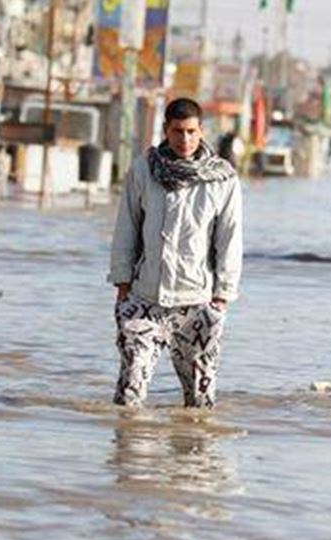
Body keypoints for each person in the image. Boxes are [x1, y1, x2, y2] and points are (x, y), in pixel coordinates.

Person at [108, 98, 243, 409]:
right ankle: (128, 455)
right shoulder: (144, 170)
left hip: (197, 303)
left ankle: (191, 457)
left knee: (199, 403)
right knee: (129, 395)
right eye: (178, 131)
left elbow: (230, 239)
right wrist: (122, 285)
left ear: (201, 131)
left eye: (192, 131)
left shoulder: (222, 178)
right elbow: (126, 227)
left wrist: (221, 298)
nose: (185, 140)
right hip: (145, 300)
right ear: (166, 131)